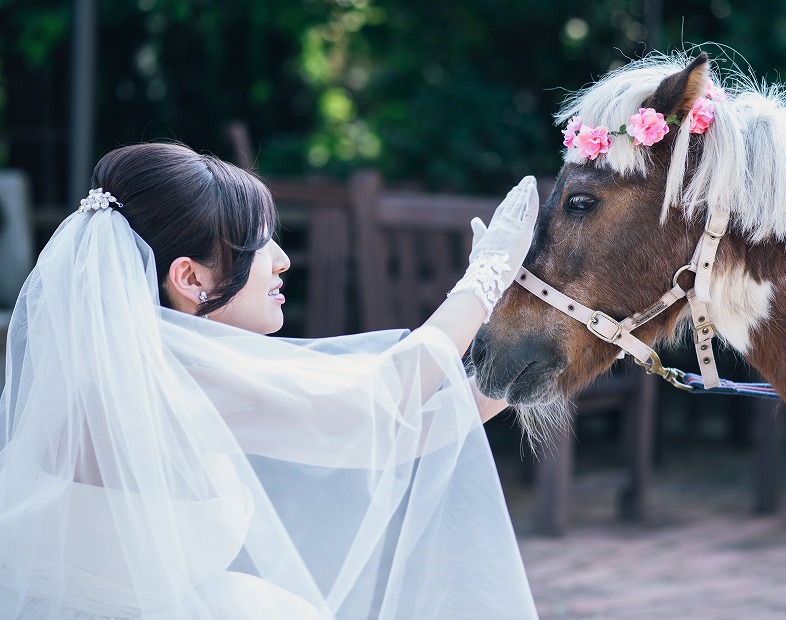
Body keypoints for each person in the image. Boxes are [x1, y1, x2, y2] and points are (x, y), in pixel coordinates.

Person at [0, 143, 539, 619]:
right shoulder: (182, 386)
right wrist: (483, 277)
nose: (281, 260)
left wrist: (518, 378)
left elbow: (386, 435)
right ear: (189, 277)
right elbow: (384, 398)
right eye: (259, 244)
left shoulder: (125, 373)